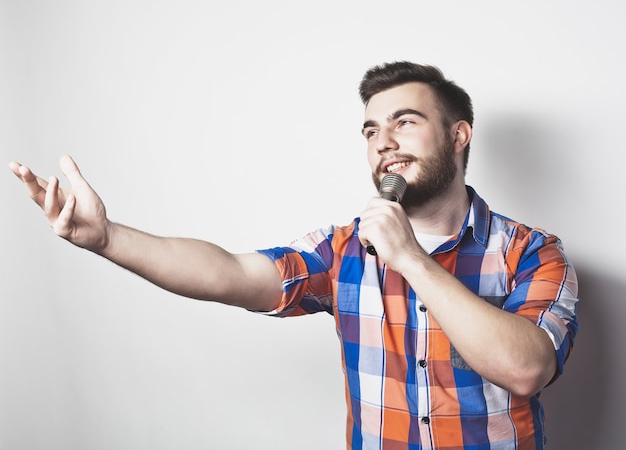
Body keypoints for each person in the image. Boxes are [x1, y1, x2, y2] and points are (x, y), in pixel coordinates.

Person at [9, 61, 578, 449]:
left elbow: (527, 368)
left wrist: (410, 259)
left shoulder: (532, 252)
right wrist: (110, 239)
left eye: (406, 122)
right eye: (371, 129)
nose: (383, 142)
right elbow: (231, 274)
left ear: (459, 136)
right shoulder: (343, 250)